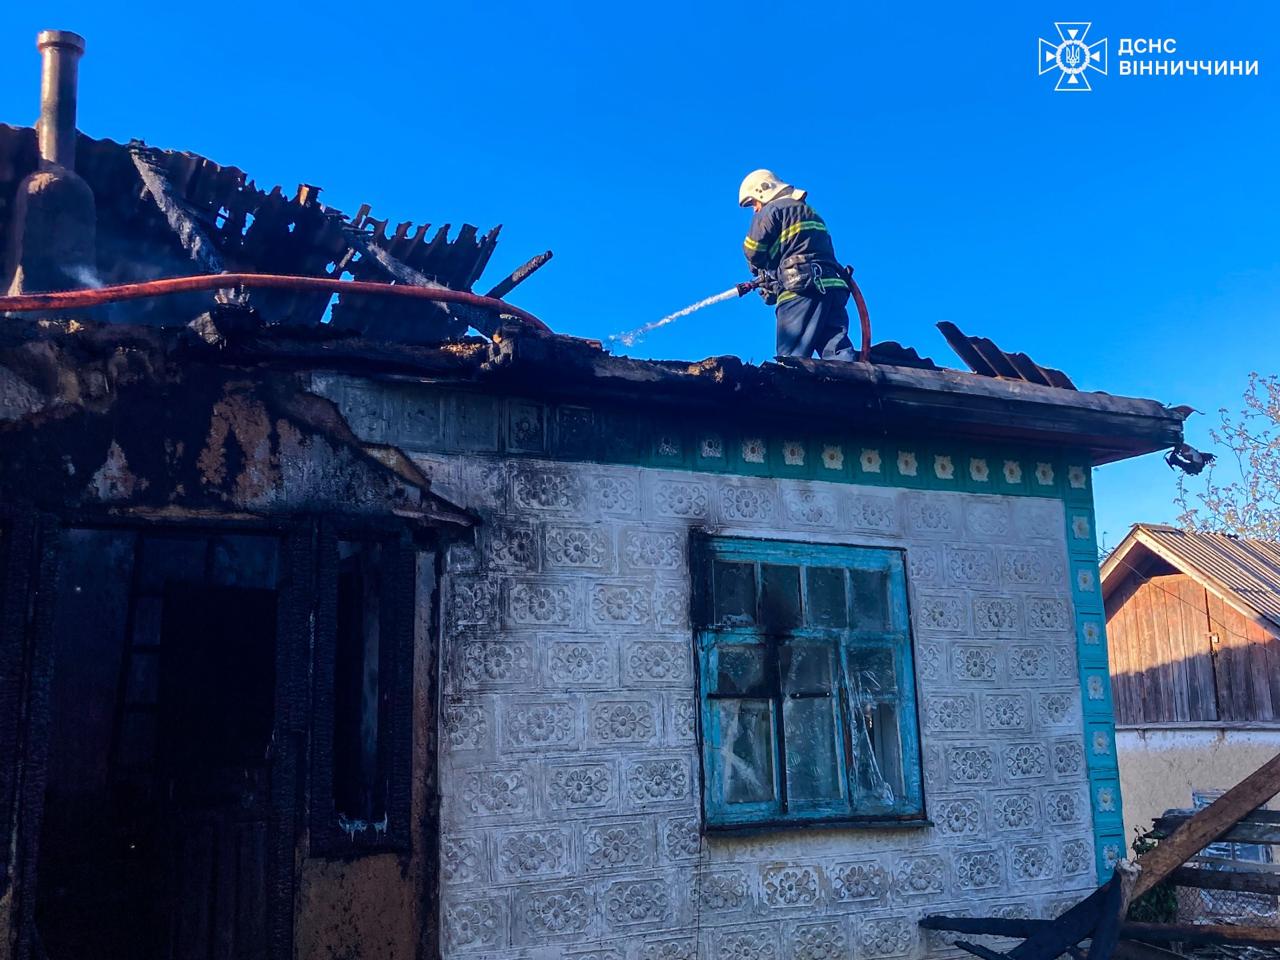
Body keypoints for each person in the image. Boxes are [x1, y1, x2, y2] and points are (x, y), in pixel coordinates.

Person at [739, 169, 855, 360]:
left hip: (800, 289)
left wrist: (762, 272)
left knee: (792, 358)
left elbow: (752, 253)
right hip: (834, 288)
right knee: (837, 352)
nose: (755, 209)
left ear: (763, 191)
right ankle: (850, 386)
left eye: (753, 203)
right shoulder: (810, 212)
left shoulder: (771, 210)